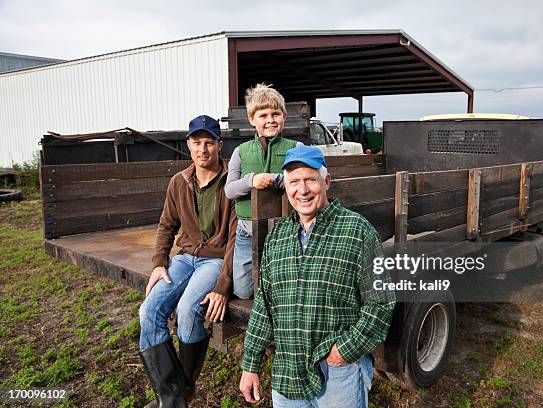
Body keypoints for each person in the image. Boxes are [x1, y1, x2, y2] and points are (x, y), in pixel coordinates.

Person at [239, 144, 396, 407]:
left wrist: (343, 352)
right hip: (287, 372)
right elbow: (264, 306)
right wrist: (250, 364)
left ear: (326, 182)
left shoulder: (357, 231)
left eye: (310, 180)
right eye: (294, 182)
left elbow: (380, 302)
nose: (302, 190)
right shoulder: (277, 238)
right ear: (286, 187)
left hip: (338, 372)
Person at [139, 115, 237, 407]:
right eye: (196, 142)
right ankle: (174, 396)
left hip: (215, 260)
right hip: (184, 258)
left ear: (219, 145)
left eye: (209, 142)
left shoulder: (232, 182)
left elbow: (235, 238)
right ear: (188, 145)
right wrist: (159, 262)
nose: (202, 149)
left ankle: (181, 390)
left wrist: (223, 284)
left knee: (187, 310)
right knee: (148, 312)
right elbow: (166, 225)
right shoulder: (179, 181)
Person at [224, 83, 297, 300]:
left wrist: (276, 179)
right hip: (247, 230)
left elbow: (313, 178)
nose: (270, 120)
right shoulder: (241, 151)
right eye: (263, 115)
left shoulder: (295, 147)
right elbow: (230, 190)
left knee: (281, 288)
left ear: (284, 116)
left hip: (285, 229)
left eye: (276, 114)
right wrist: (251, 180)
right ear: (251, 119)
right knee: (243, 291)